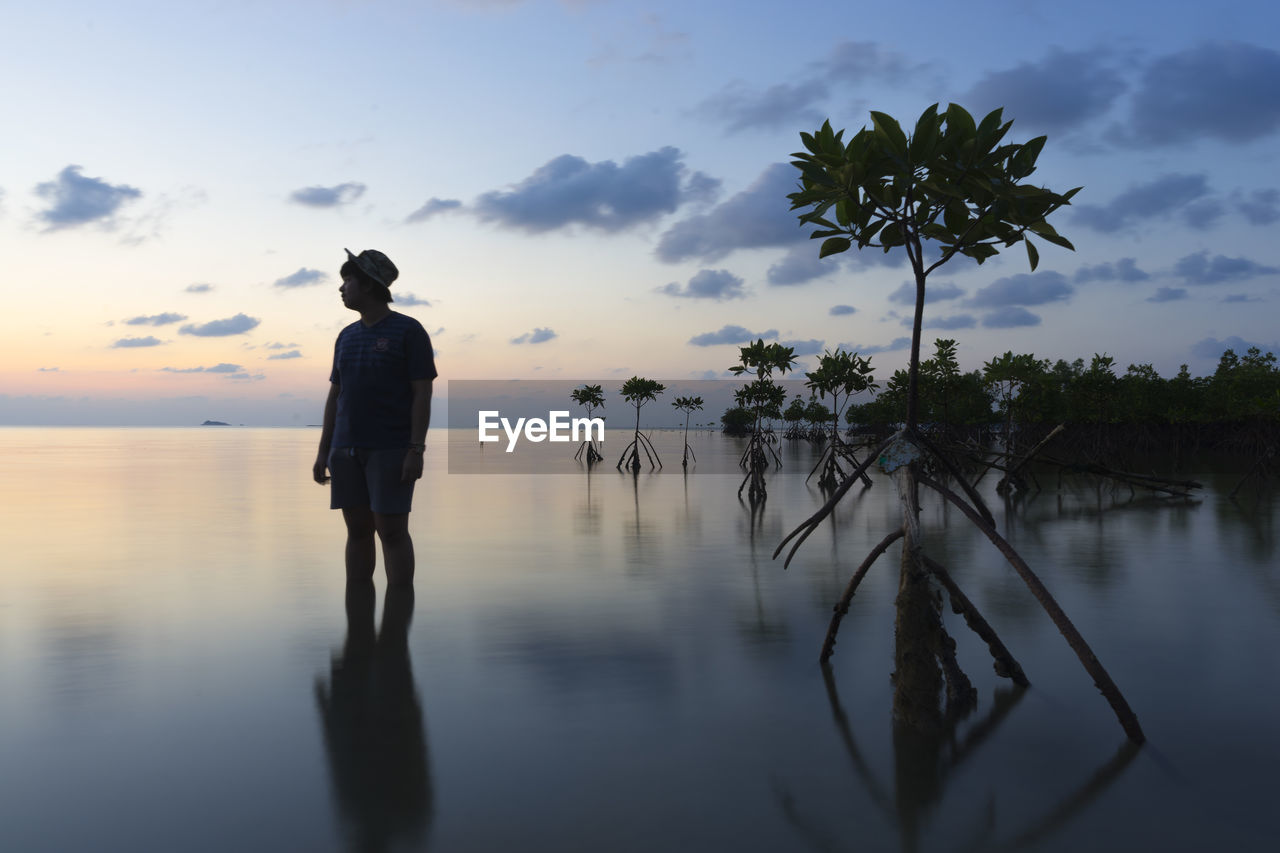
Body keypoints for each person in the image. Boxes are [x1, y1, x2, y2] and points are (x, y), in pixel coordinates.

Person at [314, 249, 436, 586]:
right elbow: (336, 396)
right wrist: (324, 451)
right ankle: (359, 623)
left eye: (347, 281)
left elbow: (421, 393)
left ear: (368, 284)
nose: (342, 289)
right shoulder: (346, 336)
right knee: (357, 531)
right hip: (346, 449)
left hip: (391, 449)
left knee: (393, 532)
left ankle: (398, 616)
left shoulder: (408, 331)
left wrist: (415, 449)